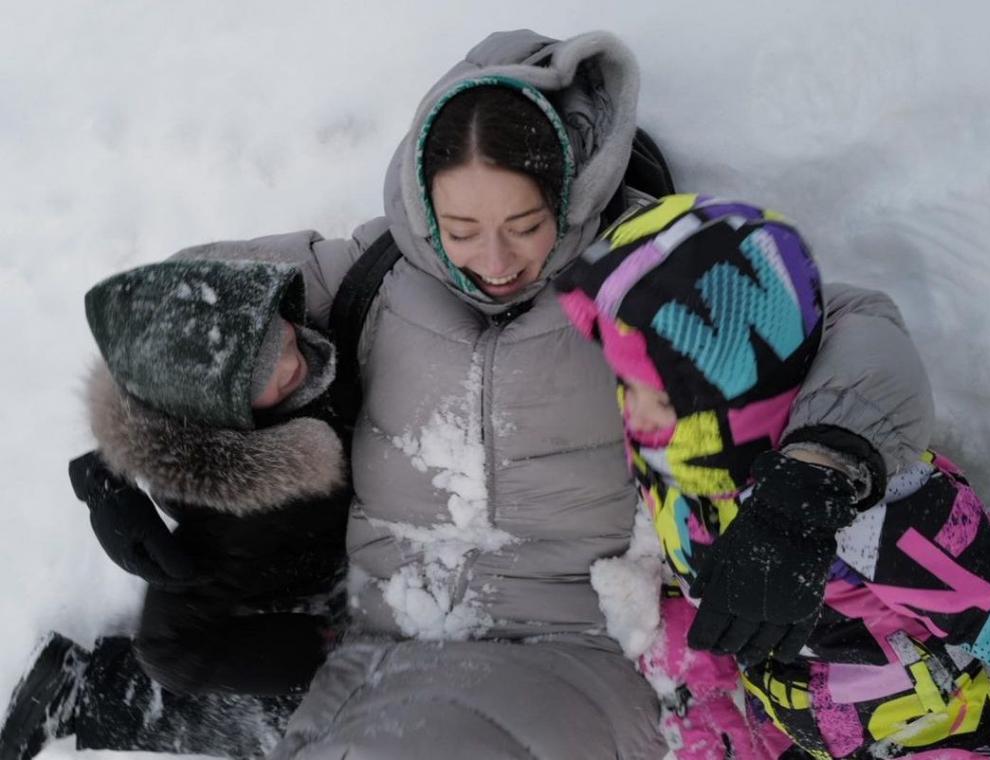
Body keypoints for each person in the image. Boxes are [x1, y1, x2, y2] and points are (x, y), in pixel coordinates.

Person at [3, 28, 934, 760]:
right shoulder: (375, 266)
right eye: (460, 227)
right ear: (420, 198)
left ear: (568, 191)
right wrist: (124, 455)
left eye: (524, 225)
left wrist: (813, 483)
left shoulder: (649, 274)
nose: (492, 262)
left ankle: (142, 703)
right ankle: (134, 699)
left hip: (578, 646)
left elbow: (859, 321)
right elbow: (178, 313)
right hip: (382, 632)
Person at [556, 193, 990, 757]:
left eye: (654, 394)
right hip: (796, 727)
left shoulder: (885, 518)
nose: (633, 410)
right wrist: (695, 659)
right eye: (627, 385)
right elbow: (707, 592)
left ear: (727, 394)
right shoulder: (682, 475)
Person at [1, 256, 349, 760]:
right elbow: (171, 649)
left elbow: (184, 322)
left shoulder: (297, 332)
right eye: (258, 375)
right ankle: (88, 692)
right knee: (307, 726)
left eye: (285, 336)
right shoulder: (240, 513)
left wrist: (102, 475)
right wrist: (318, 650)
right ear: (218, 414)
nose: (294, 363)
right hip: (294, 577)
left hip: (339, 539)